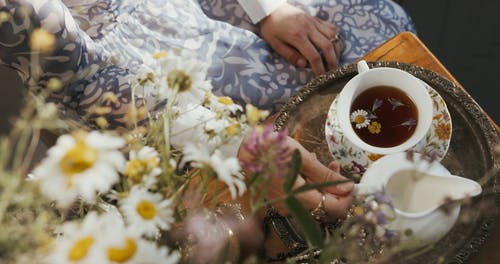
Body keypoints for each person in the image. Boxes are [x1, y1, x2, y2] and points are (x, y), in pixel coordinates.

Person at [0, 0, 413, 238]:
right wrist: (239, 145)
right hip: (122, 83)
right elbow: (78, 72)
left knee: (379, 28)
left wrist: (268, 9)